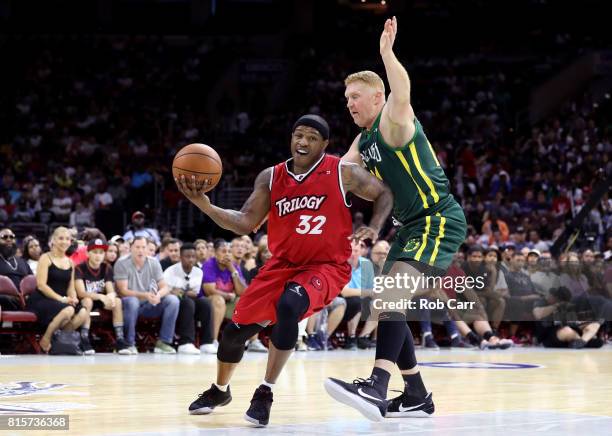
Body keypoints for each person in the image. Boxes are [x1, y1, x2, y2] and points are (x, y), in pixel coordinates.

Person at [176, 114, 392, 426]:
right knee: (233, 336)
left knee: (290, 305)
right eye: (298, 135)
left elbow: (384, 193)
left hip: (325, 266)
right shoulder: (271, 177)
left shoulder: (342, 172)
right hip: (281, 266)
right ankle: (220, 390)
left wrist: (373, 226)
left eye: (311, 138)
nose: (303, 142)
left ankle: (265, 391)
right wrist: (205, 206)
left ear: (324, 145)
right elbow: (246, 222)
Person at [325, 17, 467, 421]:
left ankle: (376, 387)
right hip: (410, 226)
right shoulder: (362, 140)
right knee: (391, 305)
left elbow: (402, 90)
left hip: (437, 219)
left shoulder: (393, 121)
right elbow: (333, 175)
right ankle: (418, 393)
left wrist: (387, 54)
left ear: (377, 98)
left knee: (389, 301)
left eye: (355, 96)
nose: (349, 103)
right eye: (346, 98)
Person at [26, 227, 89, 353]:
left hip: (62, 301)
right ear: (53, 241)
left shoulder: (70, 262)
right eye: (61, 238)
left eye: (67, 239)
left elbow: (70, 287)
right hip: (42, 299)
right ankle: (46, 338)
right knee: (68, 310)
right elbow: (41, 286)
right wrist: (62, 299)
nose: (64, 242)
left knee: (82, 313)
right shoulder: (45, 258)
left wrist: (73, 298)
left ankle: (58, 339)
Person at [114, 236, 179, 354]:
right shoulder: (122, 263)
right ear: (131, 248)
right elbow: (123, 291)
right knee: (132, 301)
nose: (140, 250)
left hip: (148, 304)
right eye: (137, 247)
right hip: (128, 305)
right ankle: (129, 343)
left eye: (143, 247)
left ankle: (163, 342)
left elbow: (164, 286)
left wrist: (158, 295)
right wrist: (145, 295)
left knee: (173, 300)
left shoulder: (153, 262)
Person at [75, 239, 130, 355]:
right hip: (84, 300)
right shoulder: (80, 268)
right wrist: (100, 296)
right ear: (87, 253)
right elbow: (81, 292)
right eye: (95, 252)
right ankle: (84, 338)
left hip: (101, 300)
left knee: (117, 301)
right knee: (88, 301)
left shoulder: (106, 268)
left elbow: (110, 289)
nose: (98, 256)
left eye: (101, 252)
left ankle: (119, 339)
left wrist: (111, 296)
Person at [163, 243, 216, 354]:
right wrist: (180, 292)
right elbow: (167, 291)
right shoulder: (170, 271)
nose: (191, 259)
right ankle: (185, 343)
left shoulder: (198, 272)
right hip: (173, 305)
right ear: (181, 257)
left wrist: (180, 291)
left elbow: (194, 293)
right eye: (187, 256)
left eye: (193, 256)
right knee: (187, 302)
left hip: (188, 301)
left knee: (206, 302)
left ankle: (207, 343)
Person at [0, 228, 31, 311]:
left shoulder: (22, 261)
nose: (9, 239)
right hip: (4, 298)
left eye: (12, 237)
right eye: (4, 237)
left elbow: (32, 281)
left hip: (24, 298)